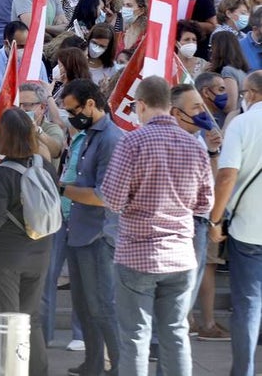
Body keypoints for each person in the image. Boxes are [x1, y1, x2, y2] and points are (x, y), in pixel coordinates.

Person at [99, 76, 213, 376]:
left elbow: (111, 199)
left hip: (137, 253)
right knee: (175, 335)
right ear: (170, 106)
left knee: (135, 337)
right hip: (180, 254)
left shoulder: (132, 142)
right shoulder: (195, 145)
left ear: (141, 104)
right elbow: (205, 204)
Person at [0, 108, 56, 376]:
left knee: (6, 321)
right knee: (30, 319)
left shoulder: (0, 174)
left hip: (4, 255)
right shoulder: (45, 166)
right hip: (40, 250)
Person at [61, 78, 124, 376]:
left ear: (90, 103)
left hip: (99, 235)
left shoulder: (111, 138)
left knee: (101, 307)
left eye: (74, 110)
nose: (73, 117)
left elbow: (104, 196)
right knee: (85, 306)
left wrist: (62, 190)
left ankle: (120, 366)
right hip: (81, 232)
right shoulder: (89, 135)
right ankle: (95, 363)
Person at [208, 70, 262, 376]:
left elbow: (226, 175)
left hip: (249, 230)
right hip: (250, 231)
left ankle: (243, 371)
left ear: (251, 94)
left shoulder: (243, 124)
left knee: (248, 306)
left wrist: (215, 219)